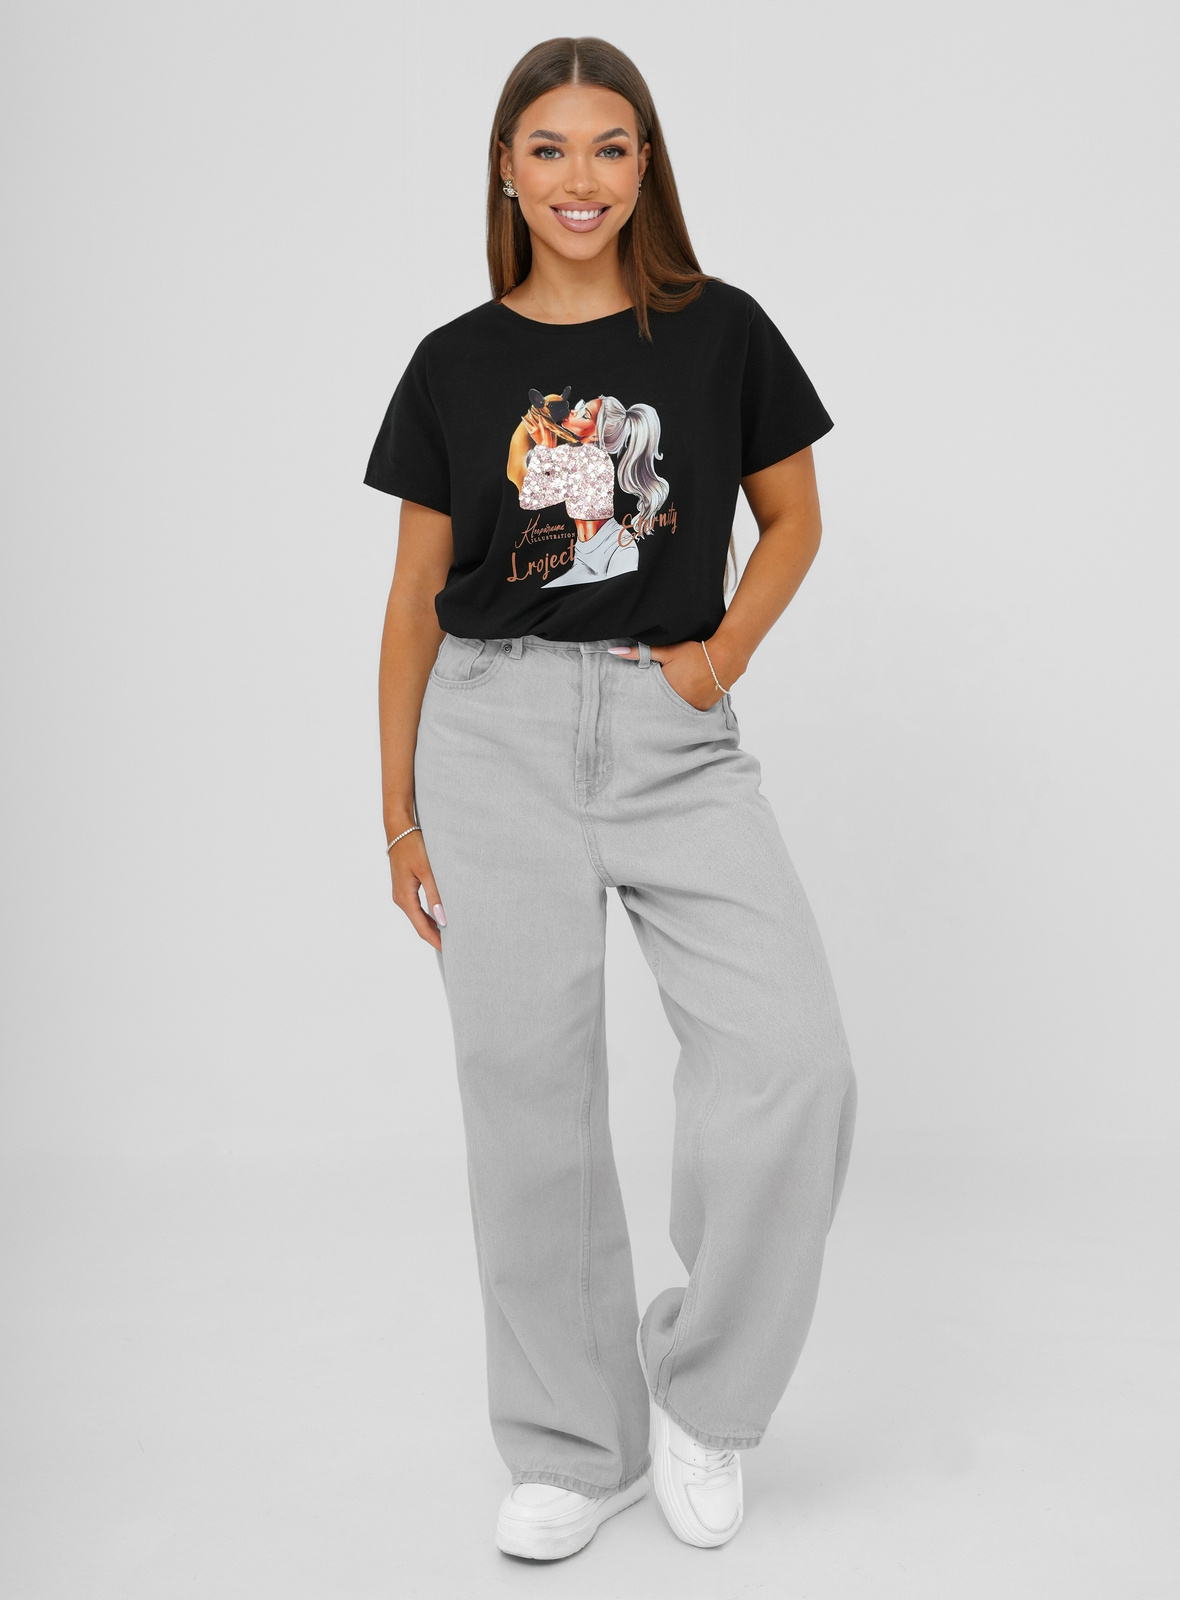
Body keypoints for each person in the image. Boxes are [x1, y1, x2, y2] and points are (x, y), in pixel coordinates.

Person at [364, 35, 857, 1562]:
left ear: (647, 166)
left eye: (611, 146)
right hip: (490, 737)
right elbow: (412, 598)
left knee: (793, 1063)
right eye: (550, 147)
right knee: (527, 1100)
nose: (580, 178)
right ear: (507, 170)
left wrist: (718, 657)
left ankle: (707, 1397)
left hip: (671, 732)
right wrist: (399, 814)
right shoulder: (453, 364)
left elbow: (793, 517)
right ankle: (578, 1446)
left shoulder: (722, 333)